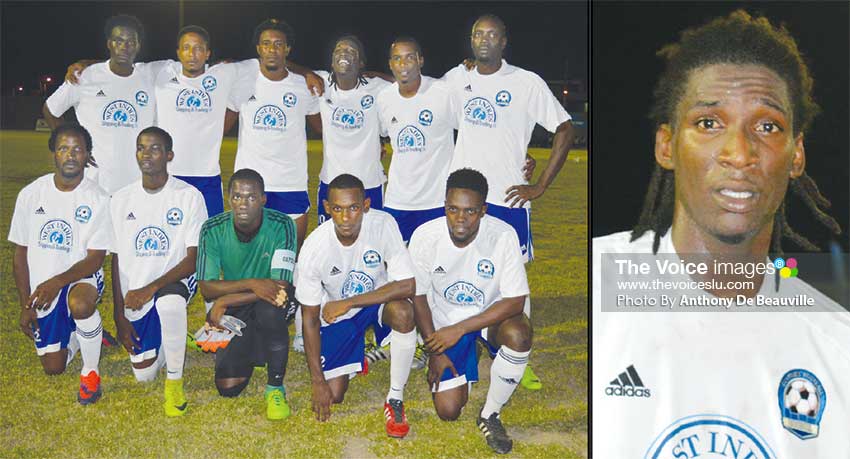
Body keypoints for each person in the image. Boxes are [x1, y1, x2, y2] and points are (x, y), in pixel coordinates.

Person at [592, 11, 850, 457]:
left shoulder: (835, 340)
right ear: (666, 145)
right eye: (709, 123)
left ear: (796, 155)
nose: (739, 153)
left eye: (767, 126)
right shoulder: (596, 284)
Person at [442, 14, 574, 390]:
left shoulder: (526, 82)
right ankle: (446, 342)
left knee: (513, 283)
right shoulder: (458, 77)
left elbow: (565, 128)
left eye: (492, 34)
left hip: (508, 199)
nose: (484, 40)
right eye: (477, 34)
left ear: (504, 41)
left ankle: (516, 354)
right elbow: (420, 89)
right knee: (457, 272)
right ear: (471, 40)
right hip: (463, 199)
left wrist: (540, 184)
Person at [409, 168, 531, 454]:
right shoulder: (425, 237)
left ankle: (491, 413)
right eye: (453, 209)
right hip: (444, 323)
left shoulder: (503, 235)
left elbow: (514, 301)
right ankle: (467, 351)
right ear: (445, 206)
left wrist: (461, 329)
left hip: (489, 318)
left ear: (483, 210)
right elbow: (418, 297)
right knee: (449, 411)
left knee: (519, 334)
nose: (460, 219)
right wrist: (436, 351)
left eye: (470, 211)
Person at [295, 174, 417, 438]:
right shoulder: (314, 248)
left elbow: (407, 285)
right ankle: (356, 355)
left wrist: (349, 302)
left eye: (353, 208)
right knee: (335, 394)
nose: (346, 217)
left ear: (366, 205)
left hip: (373, 303)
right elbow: (310, 319)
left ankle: (395, 398)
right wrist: (317, 381)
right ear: (327, 208)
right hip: (336, 315)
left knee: (405, 312)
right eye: (337, 209)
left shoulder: (383, 225)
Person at [9, 124, 110, 404]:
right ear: (54, 152)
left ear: (87, 155)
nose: (70, 155)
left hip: (81, 276)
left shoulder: (98, 198)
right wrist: (25, 305)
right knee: (54, 367)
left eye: (77, 149)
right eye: (64, 148)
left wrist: (56, 283)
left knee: (80, 305)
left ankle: (91, 373)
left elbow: (95, 258)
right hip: (44, 286)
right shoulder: (31, 194)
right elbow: (20, 253)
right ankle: (83, 332)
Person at [109, 127, 207, 416]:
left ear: (169, 155)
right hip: (135, 296)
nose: (146, 154)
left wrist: (149, 289)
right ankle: (172, 335)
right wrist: (118, 314)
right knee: (143, 374)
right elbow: (114, 259)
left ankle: (174, 383)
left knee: (170, 302)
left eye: (155, 148)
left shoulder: (188, 196)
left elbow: (193, 259)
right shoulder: (120, 200)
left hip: (173, 281)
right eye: (141, 148)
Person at [197, 168, 298, 420]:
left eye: (251, 197)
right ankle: (254, 341)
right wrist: (253, 283)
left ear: (263, 199)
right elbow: (207, 287)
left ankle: (275, 386)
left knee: (269, 311)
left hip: (274, 299)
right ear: (228, 198)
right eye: (237, 196)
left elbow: (280, 285)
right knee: (228, 387)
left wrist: (225, 300)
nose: (243, 203)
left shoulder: (282, 224)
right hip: (242, 300)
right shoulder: (212, 228)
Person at [227, 18, 321, 249]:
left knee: (289, 258)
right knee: (249, 256)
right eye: (266, 44)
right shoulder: (241, 82)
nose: (272, 49)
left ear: (287, 49)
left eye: (279, 44)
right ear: (258, 48)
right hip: (250, 186)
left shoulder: (304, 86)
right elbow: (219, 128)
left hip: (291, 183)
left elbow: (325, 129)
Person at [43, 14, 155, 194]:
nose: (124, 47)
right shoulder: (85, 76)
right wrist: (72, 145)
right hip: (93, 181)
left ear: (138, 45)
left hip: (136, 182)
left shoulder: (150, 77)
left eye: (130, 42)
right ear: (109, 43)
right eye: (118, 41)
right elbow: (50, 109)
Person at [377, 36, 457, 244]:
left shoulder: (444, 93)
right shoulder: (384, 98)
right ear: (390, 64)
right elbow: (380, 134)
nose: (403, 64)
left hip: (437, 201)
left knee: (436, 267)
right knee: (398, 267)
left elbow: (472, 131)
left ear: (421, 60)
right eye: (397, 58)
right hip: (398, 201)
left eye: (409, 57)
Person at [313, 35, 391, 225]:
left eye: (351, 51)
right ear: (331, 61)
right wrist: (306, 73)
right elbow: (285, 72)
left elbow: (407, 83)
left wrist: (377, 74)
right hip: (331, 182)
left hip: (369, 183)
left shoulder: (378, 88)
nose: (343, 53)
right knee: (330, 243)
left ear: (361, 62)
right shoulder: (320, 84)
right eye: (338, 50)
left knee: (371, 242)